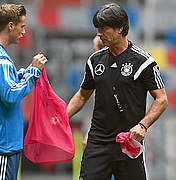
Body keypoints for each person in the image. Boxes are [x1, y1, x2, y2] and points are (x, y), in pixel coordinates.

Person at [67, 3, 168, 180]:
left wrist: (143, 125)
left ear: (120, 28)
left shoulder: (143, 61)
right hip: (98, 142)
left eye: (104, 29)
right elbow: (82, 94)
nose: (99, 34)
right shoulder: (94, 60)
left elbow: (162, 99)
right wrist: (62, 117)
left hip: (128, 141)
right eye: (98, 28)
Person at [0, 4, 47, 180]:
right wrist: (33, 72)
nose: (24, 31)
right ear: (10, 26)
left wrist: (21, 73)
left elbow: (2, 87)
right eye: (22, 26)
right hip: (3, 145)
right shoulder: (0, 59)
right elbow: (10, 94)